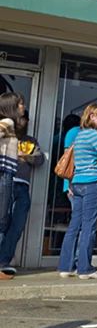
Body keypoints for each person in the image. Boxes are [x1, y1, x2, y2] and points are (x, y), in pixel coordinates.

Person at [57, 103, 97, 280]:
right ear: (92, 117)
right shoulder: (95, 136)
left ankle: (66, 266)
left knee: (74, 225)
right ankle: (85, 269)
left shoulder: (79, 136)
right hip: (92, 183)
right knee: (89, 226)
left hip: (77, 183)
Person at [0, 111, 43, 275]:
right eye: (19, 118)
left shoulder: (30, 140)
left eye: (24, 119)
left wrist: (24, 155)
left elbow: (39, 159)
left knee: (17, 225)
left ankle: (4, 261)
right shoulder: (5, 136)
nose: (21, 121)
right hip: (5, 181)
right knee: (3, 223)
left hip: (23, 185)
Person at [0, 92, 26, 280]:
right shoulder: (7, 122)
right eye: (20, 104)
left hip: (6, 174)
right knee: (1, 219)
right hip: (3, 175)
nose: (22, 107)